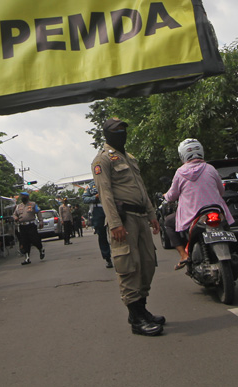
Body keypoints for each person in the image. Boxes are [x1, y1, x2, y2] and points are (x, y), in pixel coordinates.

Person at [90, 117, 164, 337]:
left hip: (141, 216)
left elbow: (141, 188)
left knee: (148, 263)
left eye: (123, 129)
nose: (121, 132)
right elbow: (105, 194)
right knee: (129, 266)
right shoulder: (102, 160)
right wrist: (114, 223)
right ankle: (136, 317)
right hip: (124, 219)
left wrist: (152, 214)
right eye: (116, 130)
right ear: (107, 134)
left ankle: (141, 309)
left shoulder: (129, 158)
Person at [163, 138, 234, 269]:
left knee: (168, 222)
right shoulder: (210, 168)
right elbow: (221, 190)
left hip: (192, 215)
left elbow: (172, 196)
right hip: (217, 210)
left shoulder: (180, 172)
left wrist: (165, 196)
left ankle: (183, 255)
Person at [82, 182, 113, 268]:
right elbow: (85, 199)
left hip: (110, 207)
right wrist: (94, 197)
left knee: (114, 231)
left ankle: (120, 254)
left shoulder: (108, 179)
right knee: (102, 235)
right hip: (97, 210)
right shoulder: (90, 186)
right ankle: (107, 258)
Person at [12, 191, 45, 264]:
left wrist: (41, 221)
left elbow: (38, 212)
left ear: (27, 197)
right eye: (22, 196)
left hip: (31, 225)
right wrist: (15, 218)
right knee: (24, 242)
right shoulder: (18, 206)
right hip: (22, 226)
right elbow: (14, 214)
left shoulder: (33, 204)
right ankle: (27, 258)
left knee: (35, 240)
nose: (23, 197)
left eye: (24, 196)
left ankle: (41, 249)